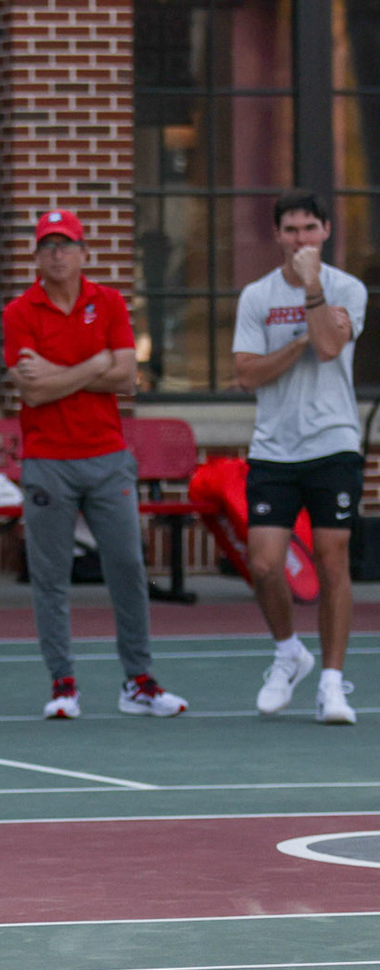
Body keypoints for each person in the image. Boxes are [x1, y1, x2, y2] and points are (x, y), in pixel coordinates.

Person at [3, 210, 188, 719]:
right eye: (48, 246)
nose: (57, 254)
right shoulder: (20, 311)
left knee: (128, 566)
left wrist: (67, 373)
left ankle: (139, 682)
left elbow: (126, 376)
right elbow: (32, 390)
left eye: (66, 245)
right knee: (50, 575)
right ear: (37, 256)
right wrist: (93, 366)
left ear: (84, 252)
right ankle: (63, 684)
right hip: (48, 460)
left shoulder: (107, 302)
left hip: (107, 456)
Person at [233, 189, 368, 725]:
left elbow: (333, 347)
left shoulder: (347, 288)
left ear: (327, 232)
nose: (300, 239)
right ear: (277, 235)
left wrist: (313, 286)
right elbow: (247, 373)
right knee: (264, 564)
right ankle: (289, 652)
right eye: (291, 230)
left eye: (310, 228)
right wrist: (295, 344)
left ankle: (332, 685)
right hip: (274, 446)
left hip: (333, 441)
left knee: (333, 559)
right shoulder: (257, 296)